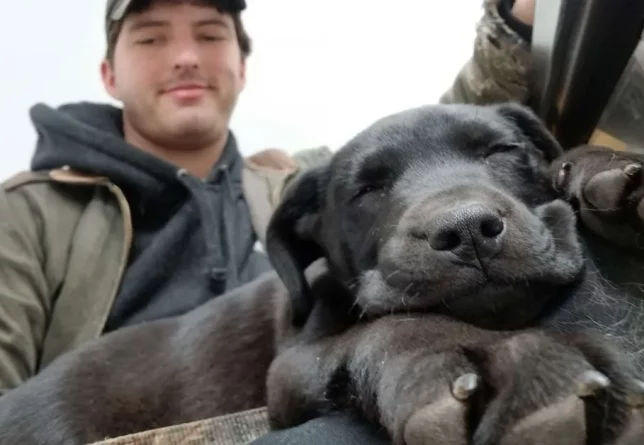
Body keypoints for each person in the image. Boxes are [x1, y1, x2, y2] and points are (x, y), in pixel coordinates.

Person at [0, 0, 539, 442]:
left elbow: (442, 140)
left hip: (360, 390)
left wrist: (517, 24)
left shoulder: (313, 189)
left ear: (241, 67)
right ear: (108, 74)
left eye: (211, 35)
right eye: (151, 38)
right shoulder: (30, 210)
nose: (185, 56)